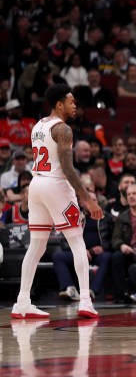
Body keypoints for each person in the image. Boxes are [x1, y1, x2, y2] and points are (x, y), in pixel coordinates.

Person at [11, 84, 104, 320]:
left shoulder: (38, 125)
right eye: (71, 101)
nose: (75, 105)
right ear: (59, 104)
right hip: (55, 186)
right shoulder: (63, 130)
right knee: (77, 242)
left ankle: (22, 302)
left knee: (37, 245)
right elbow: (68, 168)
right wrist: (88, 199)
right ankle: (85, 300)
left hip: (36, 185)